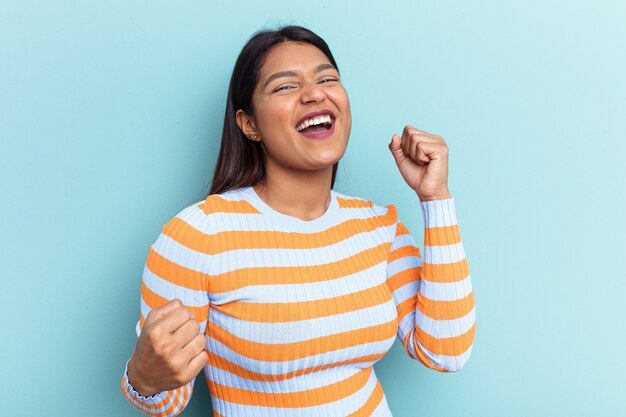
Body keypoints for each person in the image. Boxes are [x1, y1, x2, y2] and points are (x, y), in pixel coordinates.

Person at [121, 25, 475, 417]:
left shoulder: (380, 228)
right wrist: (143, 376)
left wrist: (435, 199)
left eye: (327, 79)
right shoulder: (197, 236)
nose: (315, 92)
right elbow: (165, 401)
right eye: (285, 86)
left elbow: (446, 350)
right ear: (248, 124)